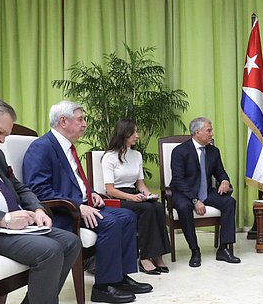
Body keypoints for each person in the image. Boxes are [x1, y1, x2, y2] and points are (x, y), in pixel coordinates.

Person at [22, 100, 152, 304]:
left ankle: (120, 277)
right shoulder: (42, 147)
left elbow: (75, 181)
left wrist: (91, 193)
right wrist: (78, 205)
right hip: (64, 212)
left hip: (82, 205)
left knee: (127, 216)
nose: (85, 124)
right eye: (81, 119)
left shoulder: (68, 147)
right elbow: (38, 190)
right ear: (63, 121)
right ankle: (103, 287)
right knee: (111, 222)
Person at [0, 98, 80, 304]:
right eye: (0, 132)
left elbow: (18, 186)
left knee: (70, 241)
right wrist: (3, 219)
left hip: (13, 225)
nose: (3, 140)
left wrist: (38, 208)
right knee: (49, 250)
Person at [101, 119, 171, 275]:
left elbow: (140, 184)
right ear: (124, 134)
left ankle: (158, 255)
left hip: (134, 193)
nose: (137, 136)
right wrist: (131, 198)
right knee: (146, 209)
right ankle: (145, 257)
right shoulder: (109, 157)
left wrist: (148, 194)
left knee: (158, 207)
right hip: (117, 198)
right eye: (134, 132)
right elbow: (109, 189)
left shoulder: (137, 155)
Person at [170, 117, 239, 267]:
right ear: (197, 132)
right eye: (209, 130)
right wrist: (195, 200)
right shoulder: (180, 151)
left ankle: (223, 249)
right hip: (183, 193)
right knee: (184, 207)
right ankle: (195, 251)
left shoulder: (213, 151)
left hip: (206, 192)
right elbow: (178, 180)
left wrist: (225, 181)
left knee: (229, 202)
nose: (212, 134)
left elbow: (220, 172)